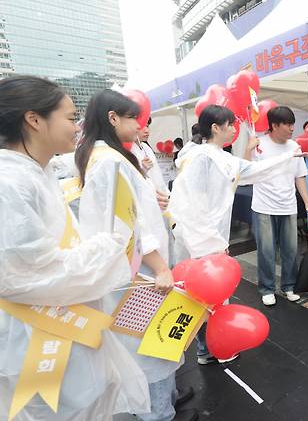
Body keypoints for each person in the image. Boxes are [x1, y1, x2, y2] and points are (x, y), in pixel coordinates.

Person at [0, 76, 150, 420]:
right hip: (37, 335)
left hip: (61, 324)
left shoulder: (36, 173)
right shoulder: (10, 183)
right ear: (34, 120)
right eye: (69, 118)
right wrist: (109, 248)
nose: (77, 126)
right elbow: (30, 273)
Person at [74, 90, 196, 421]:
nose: (138, 124)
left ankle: (164, 402)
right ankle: (159, 412)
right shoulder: (112, 163)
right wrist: (160, 268)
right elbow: (128, 228)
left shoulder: (100, 157)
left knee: (147, 346)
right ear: (113, 118)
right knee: (150, 349)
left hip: (127, 273)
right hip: (139, 274)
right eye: (133, 118)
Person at [169, 105, 306, 364]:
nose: (234, 129)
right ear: (215, 128)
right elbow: (192, 205)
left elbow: (254, 171)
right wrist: (210, 245)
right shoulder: (202, 158)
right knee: (202, 296)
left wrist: (290, 158)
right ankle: (207, 349)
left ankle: (216, 346)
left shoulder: (221, 157)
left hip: (211, 240)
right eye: (230, 125)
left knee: (212, 297)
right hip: (198, 241)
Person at [252, 106, 308, 306]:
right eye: (287, 124)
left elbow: (300, 177)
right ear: (274, 125)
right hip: (263, 206)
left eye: (292, 124)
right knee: (267, 250)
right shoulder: (258, 145)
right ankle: (267, 288)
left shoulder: (294, 146)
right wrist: (247, 148)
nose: (291, 128)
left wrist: (307, 201)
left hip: (288, 205)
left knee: (290, 249)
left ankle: (289, 286)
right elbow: (245, 171)